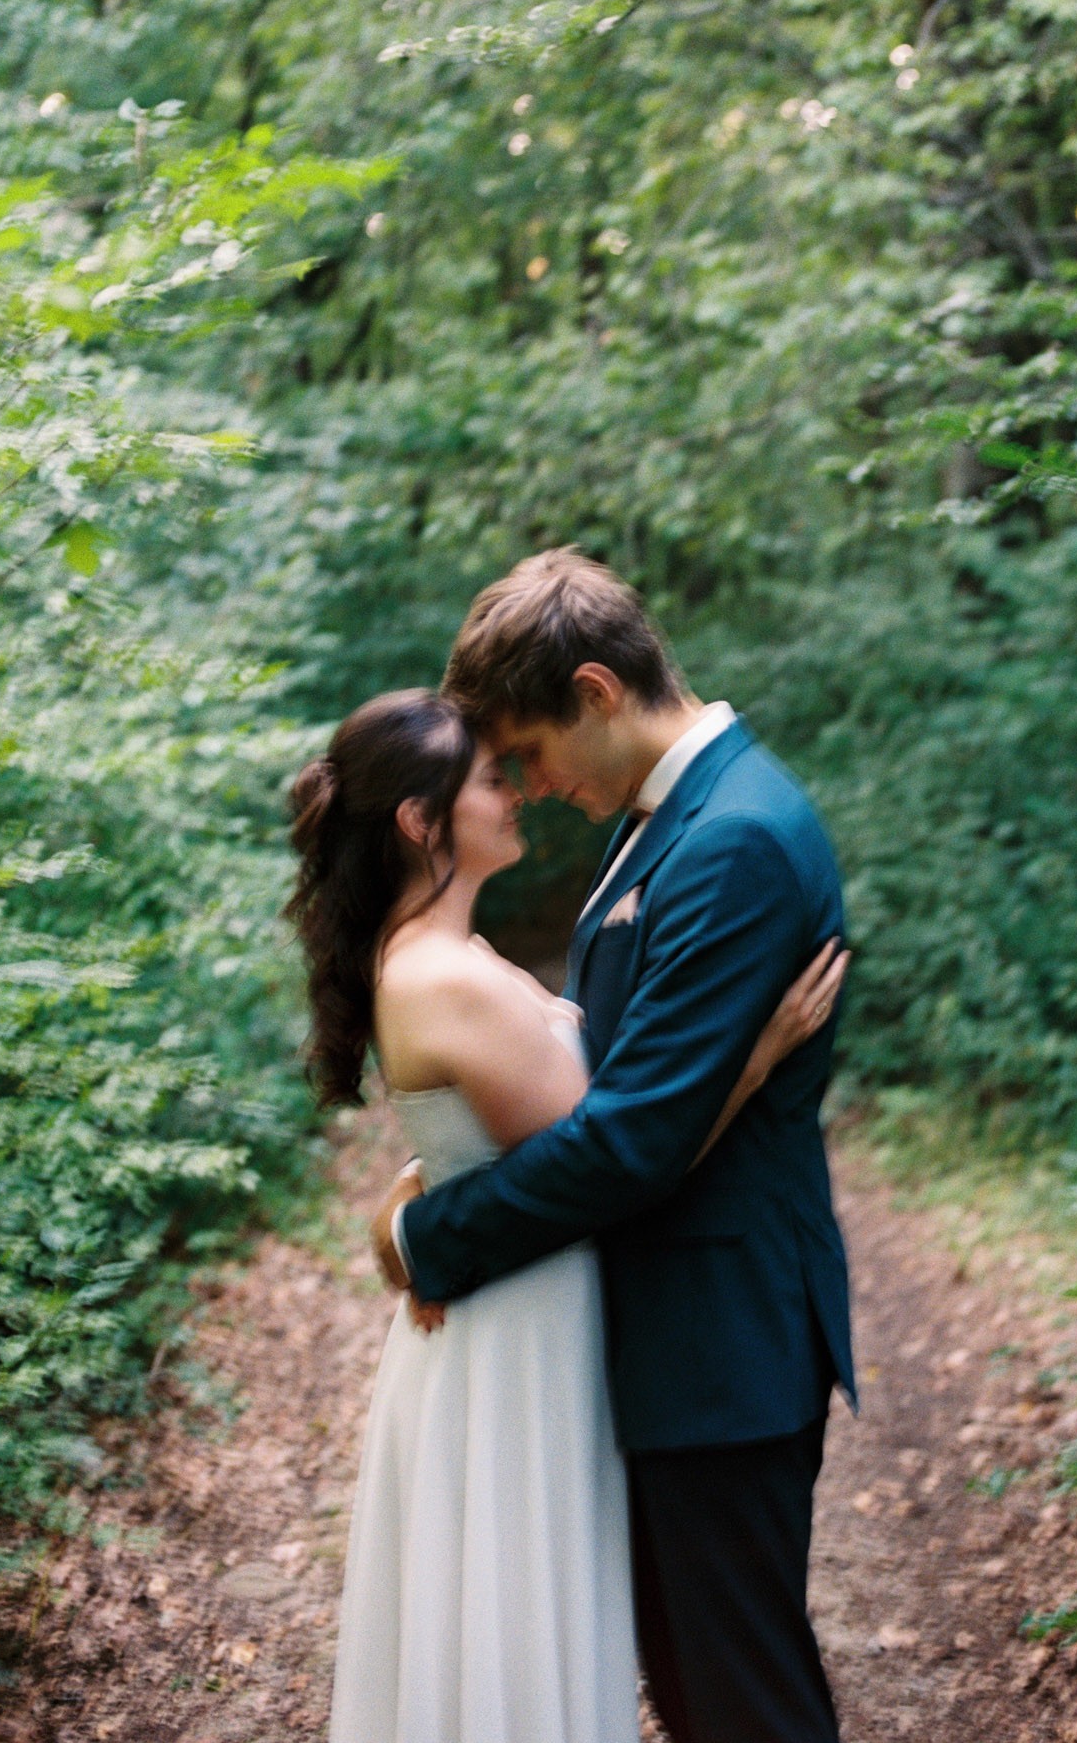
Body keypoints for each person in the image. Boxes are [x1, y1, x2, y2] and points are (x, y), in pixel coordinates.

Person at [285, 686, 848, 1743]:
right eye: (491, 779)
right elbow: (618, 1156)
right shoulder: (445, 976)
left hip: (528, 1313)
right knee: (517, 1638)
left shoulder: (453, 961)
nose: (519, 793)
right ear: (420, 821)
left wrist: (417, 1197)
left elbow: (551, 1142)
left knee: (539, 1632)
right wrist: (749, 1059)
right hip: (516, 1331)